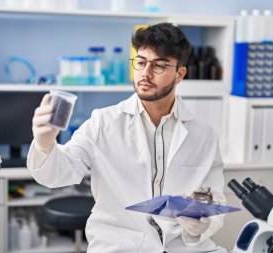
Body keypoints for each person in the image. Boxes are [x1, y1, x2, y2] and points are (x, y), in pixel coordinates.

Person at [27, 22, 227, 253]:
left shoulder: (204, 135)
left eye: (159, 65)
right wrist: (44, 144)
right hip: (122, 246)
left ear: (180, 74)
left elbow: (216, 201)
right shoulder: (103, 122)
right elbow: (58, 174)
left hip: (185, 247)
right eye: (141, 63)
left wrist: (202, 223)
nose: (146, 73)